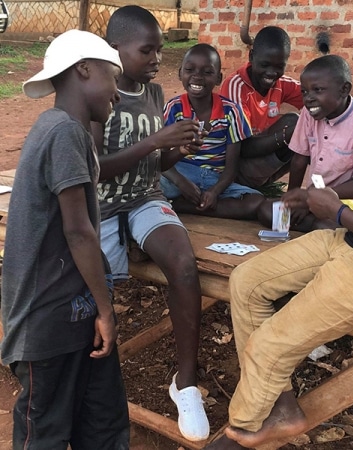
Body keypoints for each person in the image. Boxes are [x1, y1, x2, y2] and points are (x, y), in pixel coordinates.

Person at [206, 9, 353, 449]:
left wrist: (336, 211)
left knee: (269, 346)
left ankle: (239, 433)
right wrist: (315, 196)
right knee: (247, 281)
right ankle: (279, 405)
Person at [0, 30, 130, 449]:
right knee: (47, 434)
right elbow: (79, 231)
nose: (118, 92)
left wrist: (97, 306)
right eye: (114, 77)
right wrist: (107, 310)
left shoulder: (65, 130)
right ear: (85, 70)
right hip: (48, 321)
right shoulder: (62, 132)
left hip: (75, 313)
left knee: (103, 423)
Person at [92, 6, 209, 442]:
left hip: (145, 198)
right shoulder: (96, 93)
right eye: (148, 50)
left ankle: (186, 383)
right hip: (101, 206)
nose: (158, 59)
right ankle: (91, 378)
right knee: (92, 290)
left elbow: (155, 163)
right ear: (115, 50)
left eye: (160, 51)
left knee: (182, 264)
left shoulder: (156, 94)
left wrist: (177, 149)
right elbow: (94, 169)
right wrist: (155, 141)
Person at [257, 54, 353, 231]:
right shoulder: (309, 112)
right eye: (304, 92)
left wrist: (315, 199)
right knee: (266, 211)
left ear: (344, 90)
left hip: (350, 203)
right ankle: (323, 227)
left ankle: (328, 227)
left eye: (317, 90)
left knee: (329, 224)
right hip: (314, 197)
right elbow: (299, 159)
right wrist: (292, 200)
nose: (308, 98)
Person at [160, 43, 264, 219]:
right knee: (151, 186)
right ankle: (196, 203)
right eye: (190, 69)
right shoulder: (173, 108)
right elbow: (160, 161)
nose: (197, 77)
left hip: (214, 178)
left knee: (255, 201)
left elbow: (231, 168)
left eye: (207, 72)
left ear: (218, 78)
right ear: (180, 73)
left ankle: (182, 205)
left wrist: (215, 191)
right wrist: (182, 183)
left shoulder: (231, 111)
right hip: (181, 174)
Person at [219, 26, 303, 188]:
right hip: (235, 167)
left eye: (279, 66)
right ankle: (248, 187)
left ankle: (292, 194)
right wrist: (286, 136)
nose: (271, 72)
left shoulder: (281, 83)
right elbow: (242, 148)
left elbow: (315, 98)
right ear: (251, 56)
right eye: (265, 65)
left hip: (262, 163)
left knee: (300, 121)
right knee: (295, 127)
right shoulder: (235, 86)